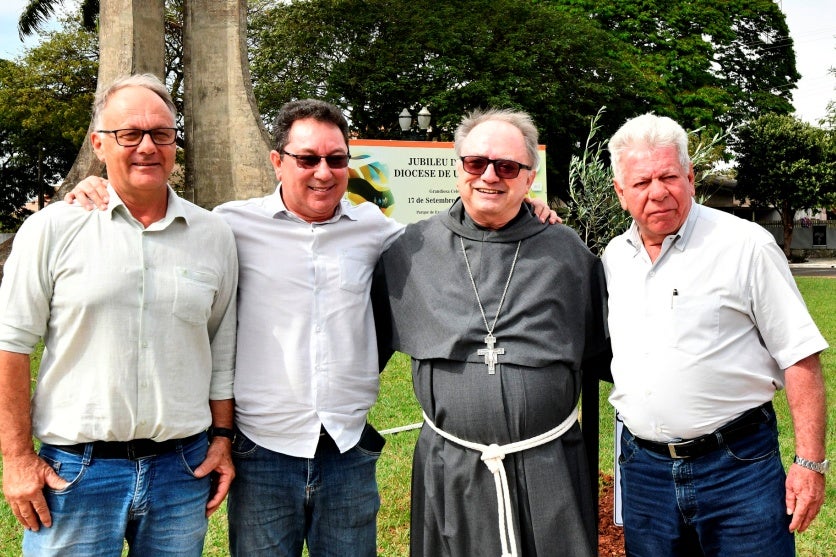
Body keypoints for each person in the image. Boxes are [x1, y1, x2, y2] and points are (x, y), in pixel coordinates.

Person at [68, 99, 557, 557]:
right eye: (307, 159)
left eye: (336, 159)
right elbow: (157, 219)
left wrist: (525, 210)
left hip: (347, 450)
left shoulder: (376, 230)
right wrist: (98, 186)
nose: (323, 172)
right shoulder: (227, 226)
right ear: (277, 162)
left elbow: (452, 237)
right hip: (261, 451)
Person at [0, 73, 238, 556]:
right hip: (76, 473)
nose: (147, 147)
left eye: (161, 134)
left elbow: (221, 348)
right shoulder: (52, 229)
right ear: (99, 144)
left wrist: (222, 438)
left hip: (182, 469)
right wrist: (17, 458)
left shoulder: (213, 235)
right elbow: (11, 345)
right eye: (130, 134)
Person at [373, 108, 610, 557]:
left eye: (506, 167)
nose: (489, 176)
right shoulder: (411, 250)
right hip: (450, 467)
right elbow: (362, 347)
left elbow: (608, 351)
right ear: (458, 167)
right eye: (476, 162)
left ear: (529, 178)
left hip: (549, 467)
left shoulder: (566, 252)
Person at [602, 113, 829, 557]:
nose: (657, 192)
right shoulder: (614, 257)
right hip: (644, 473)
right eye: (642, 182)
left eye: (669, 176)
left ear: (690, 177)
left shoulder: (746, 245)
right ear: (620, 192)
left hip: (737, 469)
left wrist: (810, 463)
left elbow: (800, 355)